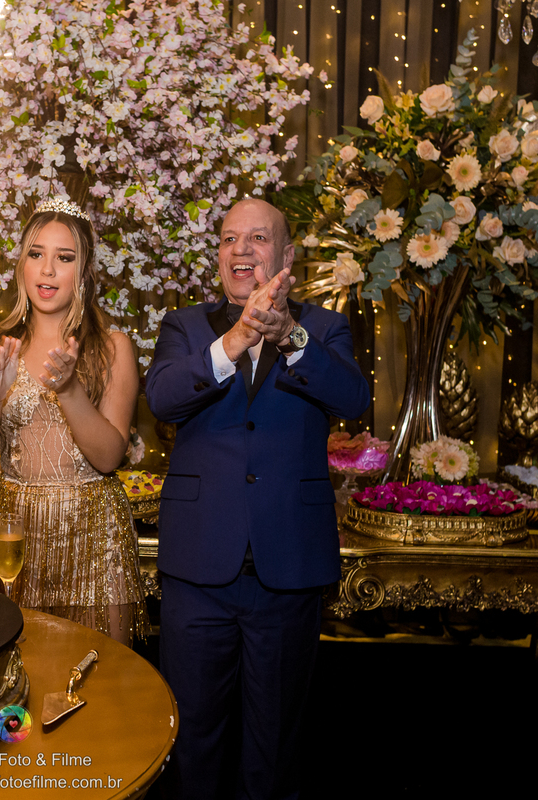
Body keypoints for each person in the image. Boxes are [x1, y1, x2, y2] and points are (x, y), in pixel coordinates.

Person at [145, 198, 371, 798]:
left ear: (288, 256)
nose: (241, 250)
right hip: (198, 567)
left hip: (287, 566)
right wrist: (240, 335)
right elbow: (163, 399)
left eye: (258, 239)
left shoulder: (321, 328)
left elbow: (353, 400)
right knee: (191, 738)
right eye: (229, 239)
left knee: (274, 746)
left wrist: (287, 335)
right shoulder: (186, 327)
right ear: (218, 255)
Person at [0, 198, 147, 645]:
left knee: (103, 685)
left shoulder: (113, 348)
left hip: (95, 537)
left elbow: (107, 457)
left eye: (64, 258)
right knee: (22, 683)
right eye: (36, 254)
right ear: (22, 265)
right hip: (16, 535)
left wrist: (69, 390)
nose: (47, 270)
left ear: (83, 273)